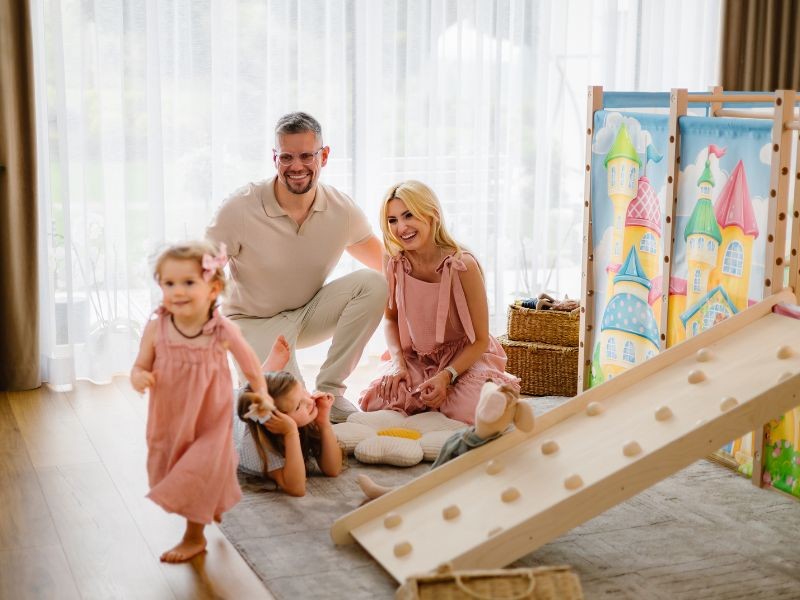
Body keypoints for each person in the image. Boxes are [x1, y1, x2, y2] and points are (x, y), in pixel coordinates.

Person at [206, 111, 387, 423]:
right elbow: (203, 269)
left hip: (307, 315)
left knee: (374, 283)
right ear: (274, 158)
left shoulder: (341, 210)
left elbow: (388, 265)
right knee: (291, 415)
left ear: (324, 156)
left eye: (306, 156)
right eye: (286, 157)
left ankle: (332, 390)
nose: (297, 166)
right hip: (252, 322)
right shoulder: (240, 207)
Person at [130, 240, 274, 563]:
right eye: (169, 283)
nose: (177, 291)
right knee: (171, 469)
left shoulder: (220, 330)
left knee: (197, 469)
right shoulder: (157, 327)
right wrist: (139, 377)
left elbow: (250, 362)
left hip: (210, 418)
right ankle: (212, 500)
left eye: (188, 282)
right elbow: (140, 365)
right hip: (170, 419)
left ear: (213, 289)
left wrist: (262, 391)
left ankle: (193, 537)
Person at [359, 180, 519, 424]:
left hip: (463, 358)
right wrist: (397, 365)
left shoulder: (463, 265)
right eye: (392, 220)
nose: (401, 227)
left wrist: (447, 375)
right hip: (417, 359)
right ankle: (433, 398)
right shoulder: (393, 261)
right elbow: (390, 319)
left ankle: (461, 396)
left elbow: (480, 339)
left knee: (471, 407)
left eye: (408, 215)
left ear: (432, 214)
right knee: (378, 398)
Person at [358, 380, 534, 499]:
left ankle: (395, 493)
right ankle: (392, 493)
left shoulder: (469, 441)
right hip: (430, 368)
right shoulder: (463, 440)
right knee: (431, 481)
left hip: (459, 371)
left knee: (430, 483)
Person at [235, 335, 343, 496]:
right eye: (298, 405)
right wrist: (291, 433)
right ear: (275, 419)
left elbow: (333, 469)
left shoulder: (302, 412)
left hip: (248, 404)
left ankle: (265, 376)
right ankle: (263, 376)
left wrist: (323, 423)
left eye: (303, 391)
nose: (310, 401)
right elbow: (296, 488)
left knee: (249, 397)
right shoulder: (255, 446)